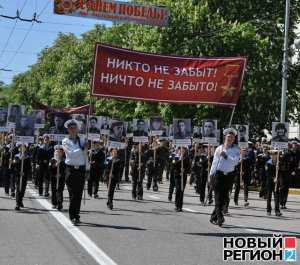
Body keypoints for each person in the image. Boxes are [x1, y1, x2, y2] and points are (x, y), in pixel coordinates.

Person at [208, 128, 240, 226]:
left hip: (229, 177)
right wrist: (211, 176)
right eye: (228, 137)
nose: (230, 138)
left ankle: (213, 217)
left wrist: (226, 156)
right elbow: (214, 163)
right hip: (218, 175)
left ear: (234, 139)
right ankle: (220, 218)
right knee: (218, 198)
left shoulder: (236, 150)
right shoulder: (219, 148)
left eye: (232, 137)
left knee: (224, 198)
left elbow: (235, 162)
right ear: (225, 137)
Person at [62, 119, 87, 225]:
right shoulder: (65, 141)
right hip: (70, 169)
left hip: (81, 169)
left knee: (79, 194)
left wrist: (88, 168)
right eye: (70, 128)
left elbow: (86, 156)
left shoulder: (82, 140)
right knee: (72, 194)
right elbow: (71, 154)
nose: (73, 130)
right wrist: (81, 149)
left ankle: (76, 215)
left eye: (74, 128)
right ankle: (72, 216)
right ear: (68, 130)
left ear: (77, 129)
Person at [13, 144, 32, 210]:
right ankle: (17, 204)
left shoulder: (27, 157)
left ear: (25, 148)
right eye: (21, 147)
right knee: (18, 189)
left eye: (23, 147)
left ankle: (20, 200)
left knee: (22, 189)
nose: (22, 148)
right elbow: (14, 167)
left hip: (24, 175)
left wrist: (24, 172)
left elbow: (29, 167)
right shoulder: (16, 156)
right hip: (18, 175)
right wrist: (18, 172)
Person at [173, 147, 191, 211]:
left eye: (184, 150)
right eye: (181, 150)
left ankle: (180, 206)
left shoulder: (187, 158)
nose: (182, 151)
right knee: (178, 190)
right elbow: (173, 165)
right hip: (177, 176)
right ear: (179, 151)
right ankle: (176, 205)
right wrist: (179, 162)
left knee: (181, 191)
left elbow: (189, 168)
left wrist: (184, 170)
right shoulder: (176, 157)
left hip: (183, 176)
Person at [265, 151, 282, 216]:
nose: (273, 156)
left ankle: (277, 211)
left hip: (276, 182)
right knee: (269, 196)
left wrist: (278, 168)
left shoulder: (278, 163)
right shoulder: (268, 163)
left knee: (277, 197)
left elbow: (281, 172)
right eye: (272, 155)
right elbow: (267, 173)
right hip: (269, 181)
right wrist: (273, 178)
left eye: (274, 155)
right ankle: (268, 210)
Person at [50, 145, 66, 210]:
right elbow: (50, 169)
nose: (58, 153)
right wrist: (55, 165)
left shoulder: (65, 160)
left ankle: (60, 204)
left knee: (60, 191)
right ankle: (54, 203)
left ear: (62, 153)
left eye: (60, 152)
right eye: (57, 151)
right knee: (54, 191)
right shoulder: (52, 160)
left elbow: (66, 169)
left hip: (61, 178)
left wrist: (61, 174)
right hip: (54, 177)